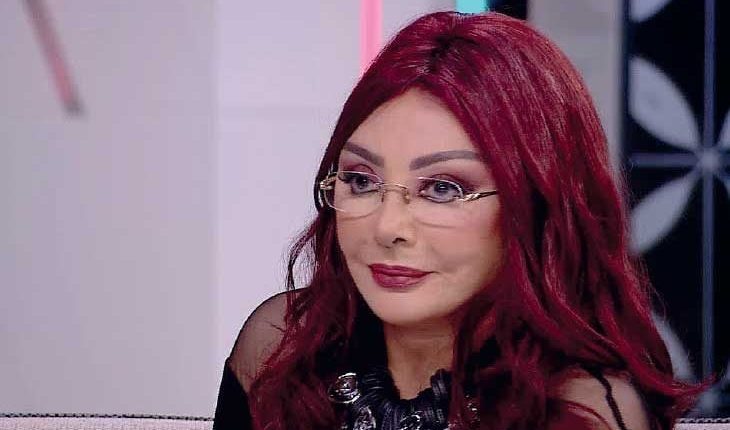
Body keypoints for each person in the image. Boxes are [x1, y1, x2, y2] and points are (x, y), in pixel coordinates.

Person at [213, 11, 701, 430]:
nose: (387, 227)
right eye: (361, 180)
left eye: (443, 189)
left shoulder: (582, 409)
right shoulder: (281, 350)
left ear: (535, 206)